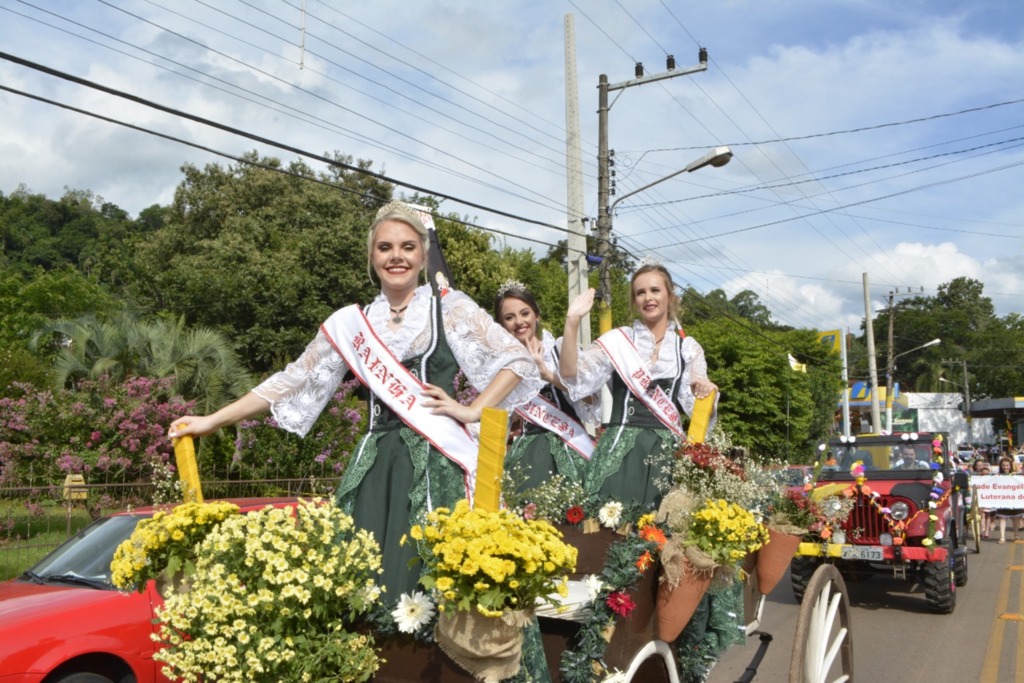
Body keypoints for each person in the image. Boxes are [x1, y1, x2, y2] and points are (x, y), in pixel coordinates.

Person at [168, 201, 542, 598]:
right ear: (371, 256)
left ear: (423, 255)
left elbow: (516, 360)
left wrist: (470, 409)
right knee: (363, 577)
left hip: (439, 462)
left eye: (407, 247)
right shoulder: (352, 323)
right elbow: (291, 380)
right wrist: (212, 420)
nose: (396, 256)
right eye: (385, 248)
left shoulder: (449, 308)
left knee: (441, 577)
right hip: (375, 464)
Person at [558, 262, 718, 510]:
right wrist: (572, 321)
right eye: (640, 293)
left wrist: (704, 386)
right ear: (634, 301)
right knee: (607, 526)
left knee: (659, 534)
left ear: (670, 295)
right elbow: (571, 374)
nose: (648, 298)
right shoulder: (618, 340)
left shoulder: (687, 348)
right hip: (619, 449)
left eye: (655, 290)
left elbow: (700, 388)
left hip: (665, 453)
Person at [494, 281, 598, 492]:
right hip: (526, 452)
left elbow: (591, 398)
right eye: (509, 317)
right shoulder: (501, 365)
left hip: (570, 445)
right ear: (502, 325)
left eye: (525, 313)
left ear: (536, 315)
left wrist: (548, 375)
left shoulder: (559, 350)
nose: (519, 322)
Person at [993, 456, 1023, 544]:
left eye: (1007, 465)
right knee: (1002, 518)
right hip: (1003, 499)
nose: (1006, 467)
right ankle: (1002, 537)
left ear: (1010, 466)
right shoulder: (997, 476)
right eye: (1003, 465)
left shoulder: (1015, 475)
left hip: (1014, 499)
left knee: (1016, 518)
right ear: (1001, 466)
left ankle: (1016, 535)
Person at [973, 458, 993, 539]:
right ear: (975, 466)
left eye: (981, 465)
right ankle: (982, 529)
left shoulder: (988, 474)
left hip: (988, 496)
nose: (980, 467)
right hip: (978, 496)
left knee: (988, 514)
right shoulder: (973, 475)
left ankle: (987, 531)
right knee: (981, 514)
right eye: (978, 465)